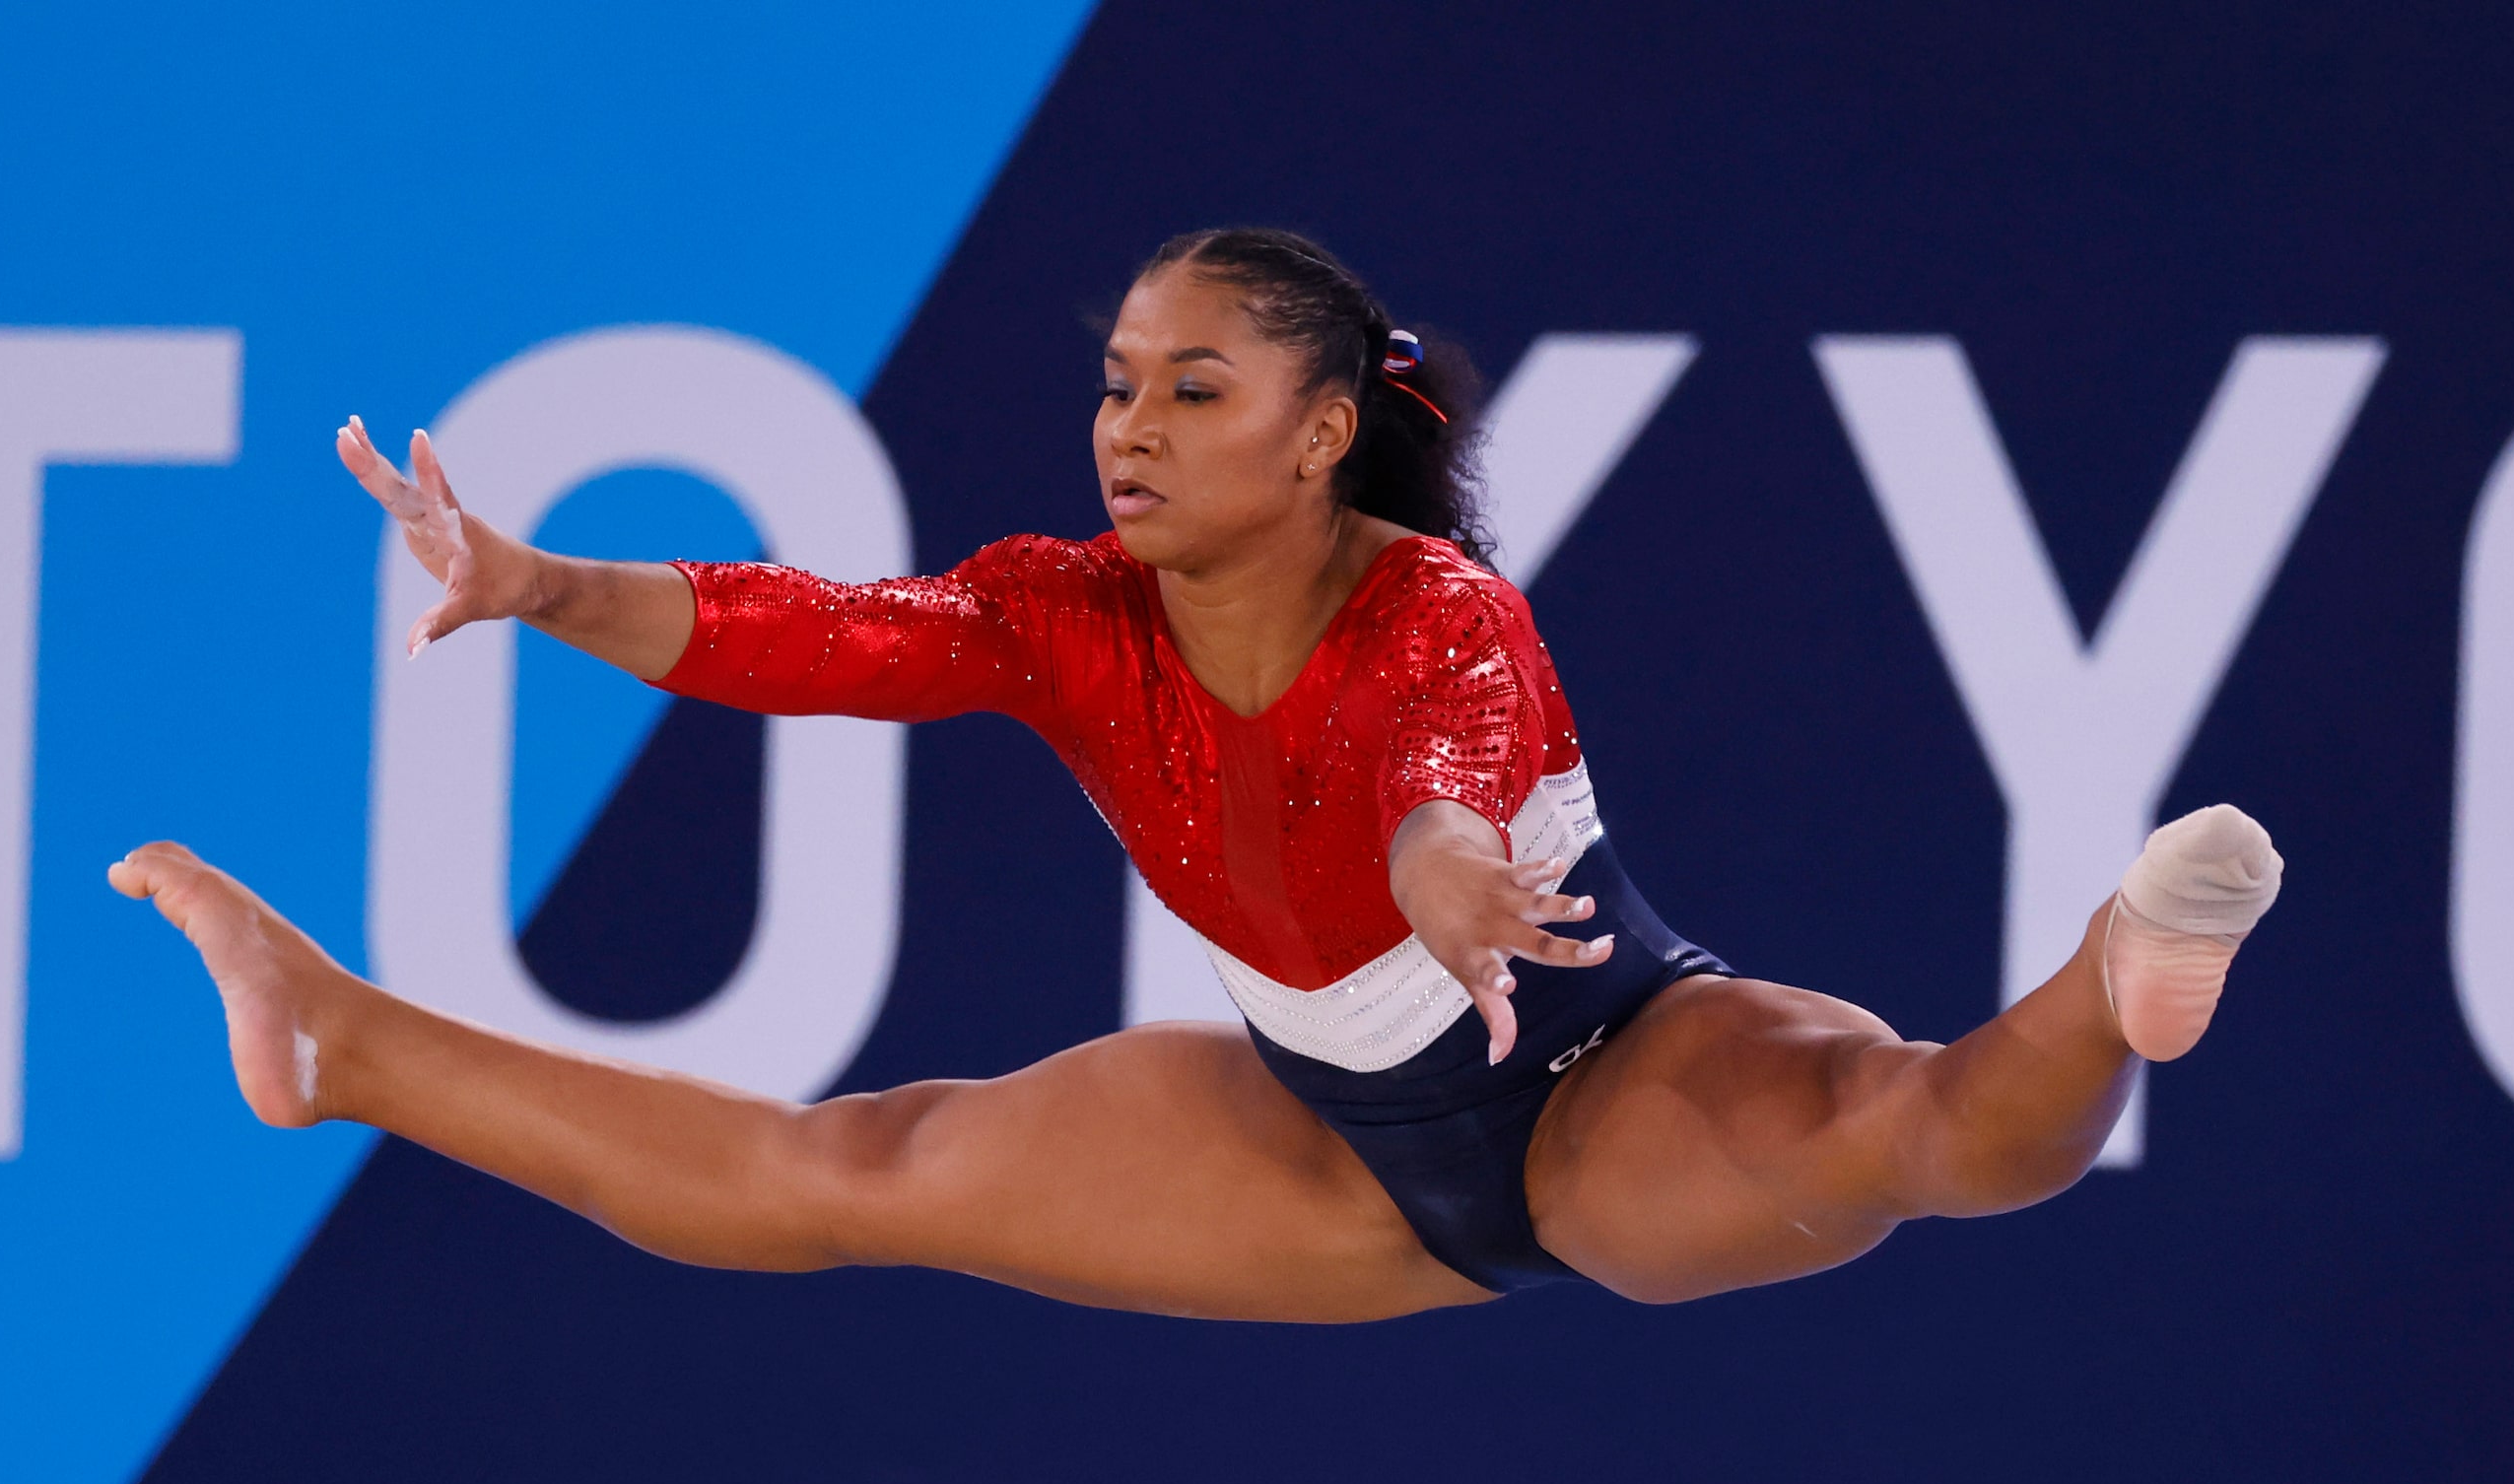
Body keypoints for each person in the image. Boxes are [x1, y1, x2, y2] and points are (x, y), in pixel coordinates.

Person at [111, 228, 2282, 1322]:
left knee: (1887, 1123)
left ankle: (2119, 973)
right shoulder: (1061, 612)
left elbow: (1441, 776)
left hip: (1603, 1067)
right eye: (1122, 383)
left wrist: (1444, 872)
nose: (1129, 425)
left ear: (1325, 431)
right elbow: (822, 635)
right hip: (1322, 1125)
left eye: (1196, 388)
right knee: (838, 1175)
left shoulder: (1438, 608)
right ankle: (339, 1036)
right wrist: (535, 578)